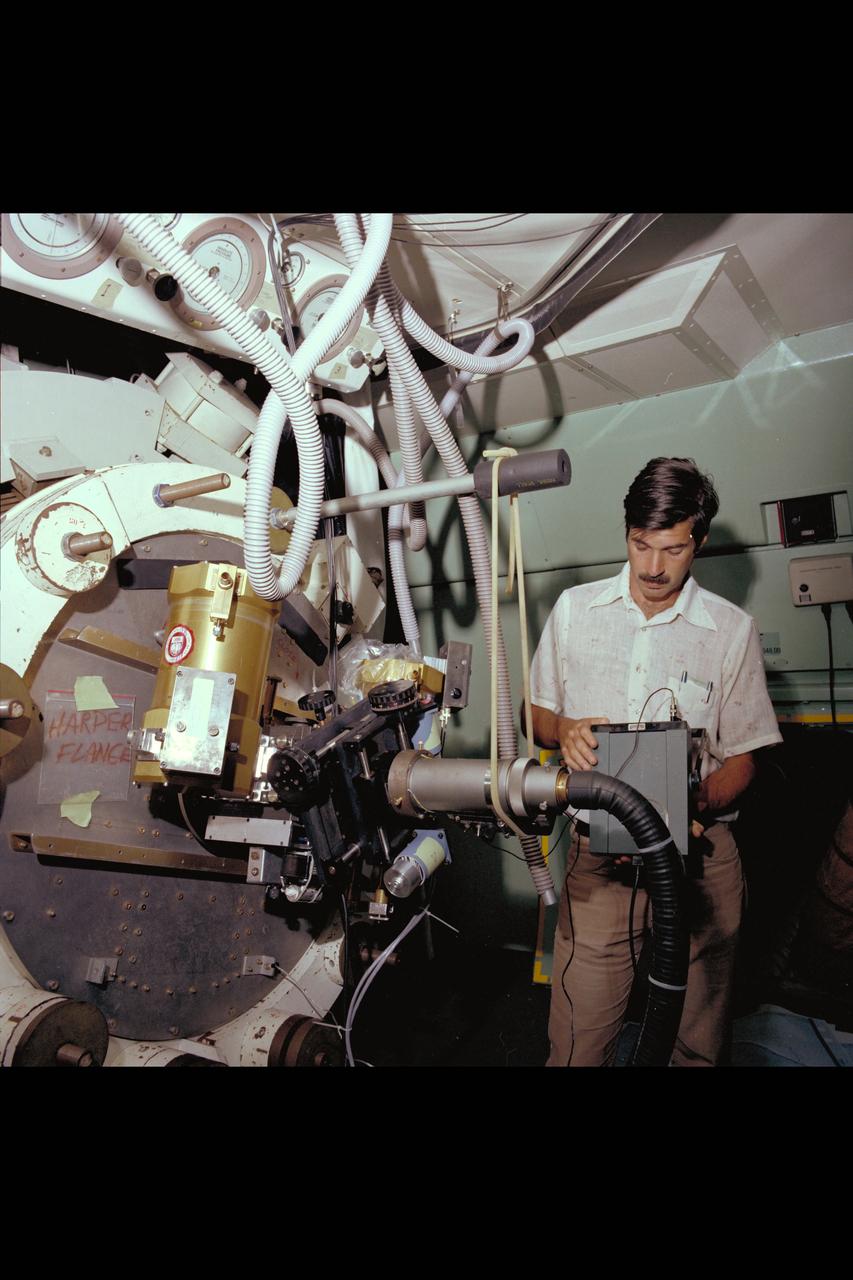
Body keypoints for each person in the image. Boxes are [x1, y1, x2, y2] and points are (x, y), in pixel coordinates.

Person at [528, 457, 782, 1067]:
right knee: (578, 1039)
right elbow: (535, 714)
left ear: (700, 541)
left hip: (701, 859)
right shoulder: (574, 610)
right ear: (627, 533)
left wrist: (690, 802)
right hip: (599, 862)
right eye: (641, 544)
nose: (652, 568)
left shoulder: (730, 630)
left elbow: (745, 758)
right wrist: (564, 730)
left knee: (697, 1039)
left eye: (672, 549)